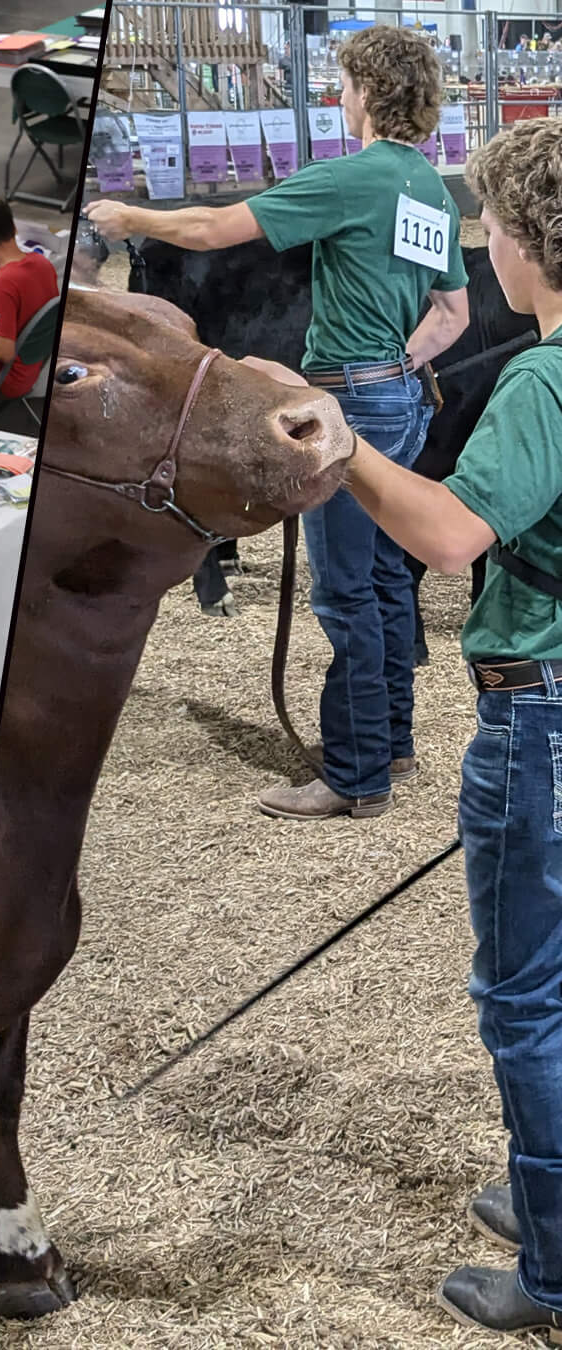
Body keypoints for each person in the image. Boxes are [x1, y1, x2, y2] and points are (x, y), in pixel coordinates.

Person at [88, 24, 470, 821]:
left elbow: (209, 230)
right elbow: (453, 313)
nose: (340, 96)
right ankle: (391, 740)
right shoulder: (428, 188)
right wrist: (396, 364)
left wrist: (132, 218)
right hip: (397, 397)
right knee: (386, 579)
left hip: (353, 403)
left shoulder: (353, 177)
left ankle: (356, 774)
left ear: (367, 92)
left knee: (343, 595)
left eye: (346, 84)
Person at [326, 113, 562, 1339]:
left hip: (544, 711)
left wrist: (344, 442)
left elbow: (451, 533)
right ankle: (548, 1194)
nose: (484, 251)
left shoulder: (544, 378)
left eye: (493, 229)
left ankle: (558, 1264)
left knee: (526, 997)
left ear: (526, 241)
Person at [0, 198, 59, 407]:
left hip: (3, 378)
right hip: (34, 368)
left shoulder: (6, 282)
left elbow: (5, 352)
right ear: (14, 228)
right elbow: (33, 310)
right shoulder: (42, 264)